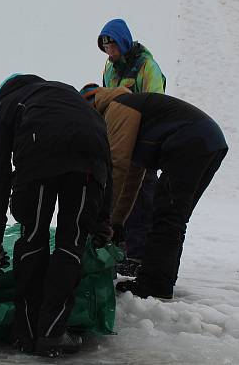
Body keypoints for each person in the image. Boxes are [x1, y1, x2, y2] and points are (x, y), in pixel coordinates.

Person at [0, 74, 112, 357]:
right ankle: (52, 334)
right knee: (71, 242)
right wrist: (103, 219)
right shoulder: (70, 98)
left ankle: (26, 334)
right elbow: (106, 158)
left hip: (39, 151)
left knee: (33, 236)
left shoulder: (5, 105)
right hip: (90, 160)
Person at [81, 85, 227, 299]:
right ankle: (160, 281)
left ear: (92, 104)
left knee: (166, 216)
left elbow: (117, 167)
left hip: (189, 141)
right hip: (211, 142)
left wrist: (102, 219)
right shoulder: (138, 109)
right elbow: (132, 178)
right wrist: (117, 221)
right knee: (173, 217)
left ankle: (154, 285)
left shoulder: (118, 107)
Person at [97, 18, 166, 278]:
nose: (109, 51)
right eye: (105, 46)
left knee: (143, 198)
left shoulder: (147, 66)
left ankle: (140, 254)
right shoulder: (109, 68)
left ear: (122, 41)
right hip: (119, 141)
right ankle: (122, 250)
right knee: (117, 196)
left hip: (143, 140)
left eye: (112, 45)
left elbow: (156, 103)